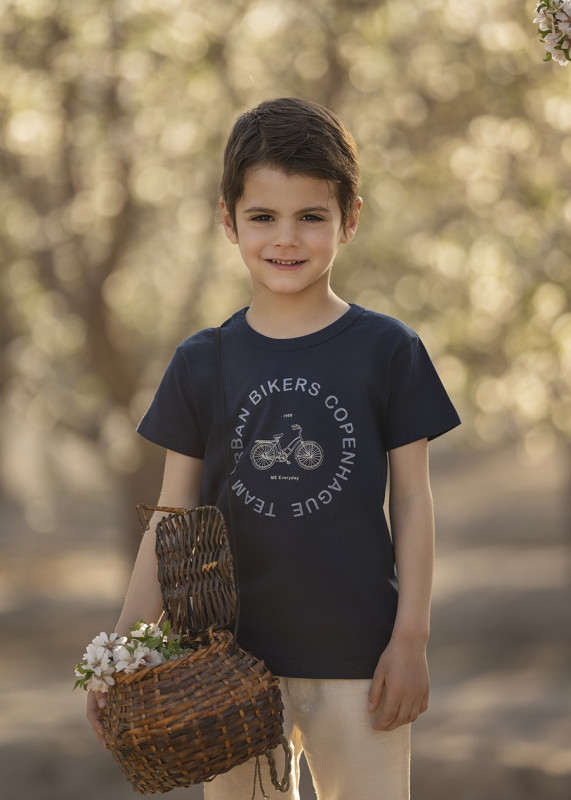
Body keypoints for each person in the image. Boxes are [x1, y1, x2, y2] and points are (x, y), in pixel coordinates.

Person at [87, 96, 460, 800]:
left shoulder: (388, 350)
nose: (286, 239)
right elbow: (170, 519)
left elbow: (412, 498)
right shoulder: (201, 362)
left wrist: (410, 639)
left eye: (310, 216)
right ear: (228, 220)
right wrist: (124, 651)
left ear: (350, 219)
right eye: (262, 216)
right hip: (225, 670)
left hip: (361, 661)